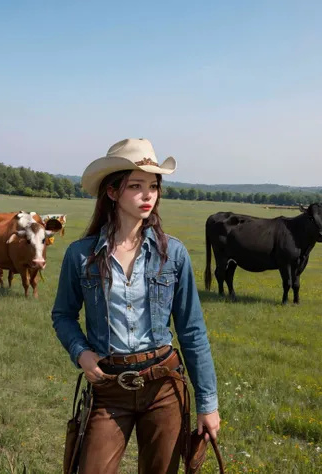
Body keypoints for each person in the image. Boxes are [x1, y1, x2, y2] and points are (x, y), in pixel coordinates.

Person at [52, 138, 220, 474]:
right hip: (109, 389)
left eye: (153, 187)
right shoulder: (80, 256)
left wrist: (207, 404)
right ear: (113, 192)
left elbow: (192, 331)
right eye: (136, 186)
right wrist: (81, 353)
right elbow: (63, 315)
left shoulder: (173, 254)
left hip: (164, 385)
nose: (148, 196)